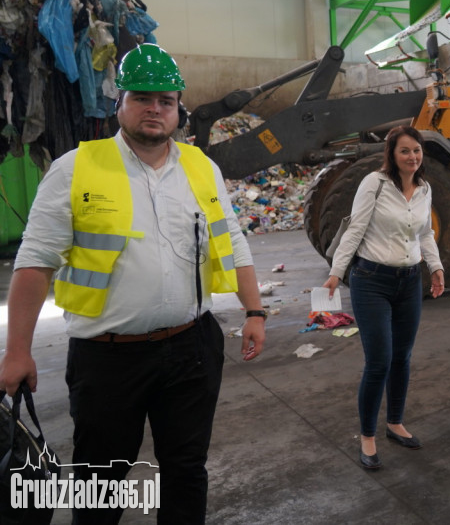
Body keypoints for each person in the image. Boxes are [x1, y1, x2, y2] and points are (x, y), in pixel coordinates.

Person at [0, 43, 266, 524]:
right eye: (142, 98)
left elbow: (234, 243)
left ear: (178, 107)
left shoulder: (201, 167)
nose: (155, 109)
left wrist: (255, 311)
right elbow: (34, 263)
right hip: (107, 358)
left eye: (165, 100)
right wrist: (17, 349)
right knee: (100, 481)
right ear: (118, 103)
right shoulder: (75, 168)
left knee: (186, 471)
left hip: (191, 349)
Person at [323, 126, 445, 471]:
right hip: (371, 280)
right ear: (392, 154)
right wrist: (336, 272)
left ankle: (394, 423)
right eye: (405, 151)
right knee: (379, 360)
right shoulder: (374, 184)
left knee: (402, 357)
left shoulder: (424, 189)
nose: (412, 157)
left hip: (409, 281)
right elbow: (355, 229)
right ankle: (367, 436)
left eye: (417, 151)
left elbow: (426, 233)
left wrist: (435, 268)